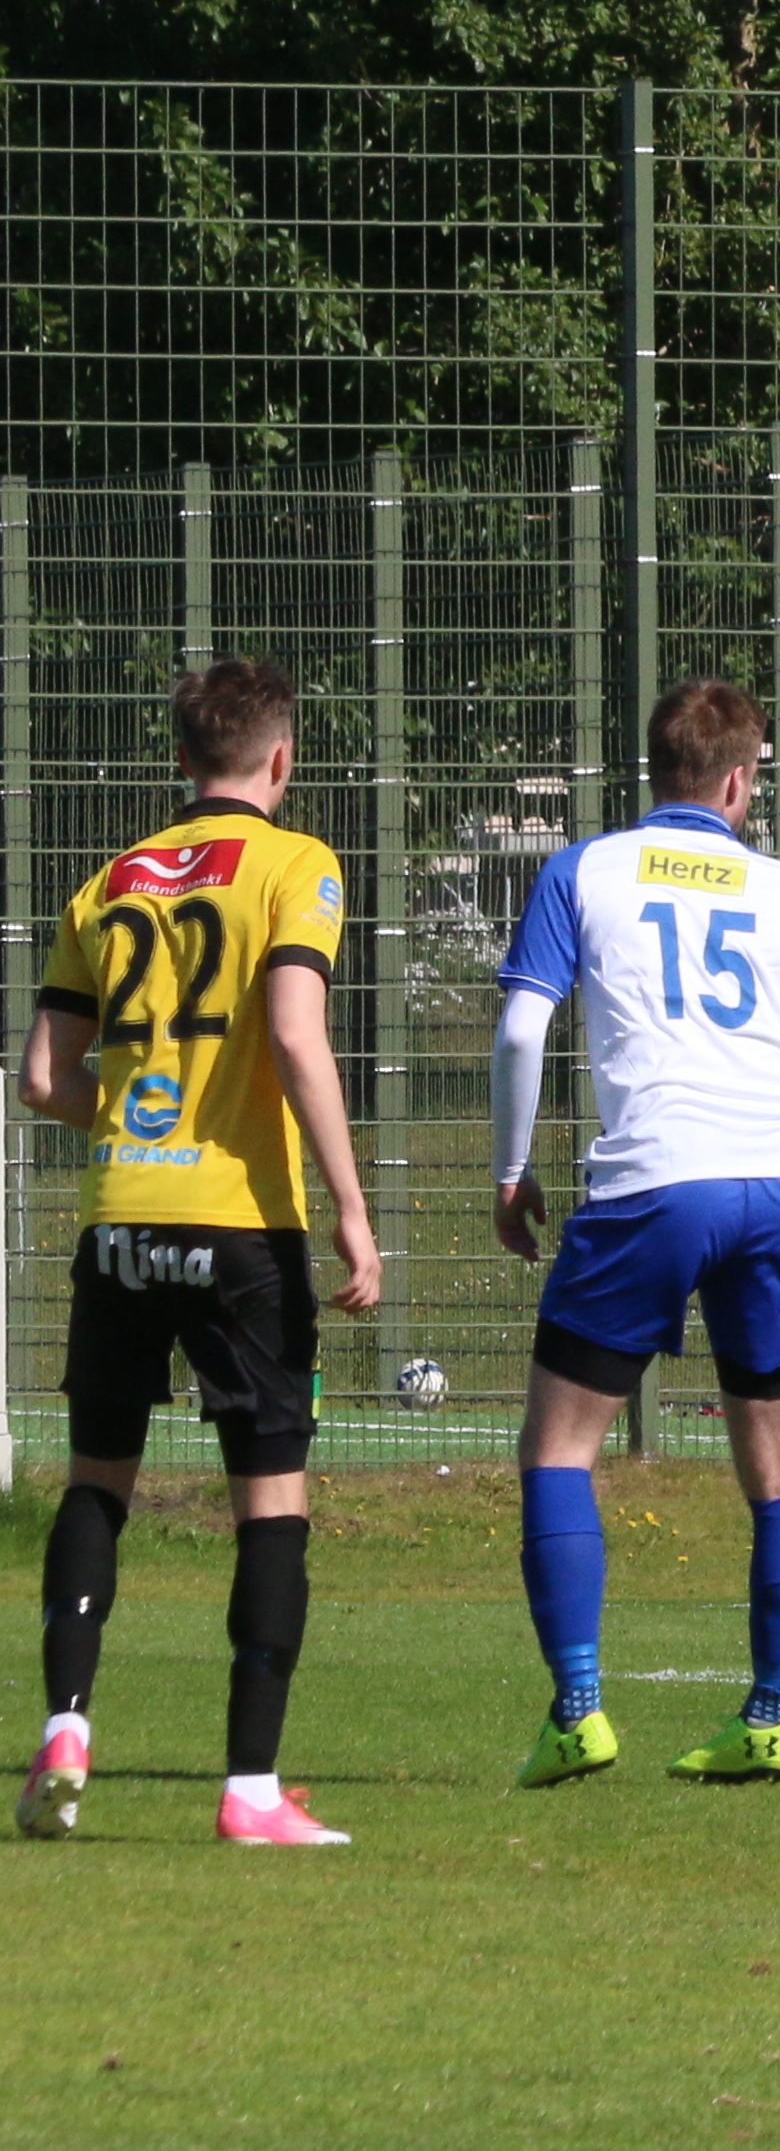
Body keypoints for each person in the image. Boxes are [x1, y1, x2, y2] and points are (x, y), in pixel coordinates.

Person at [14, 658, 383, 1846]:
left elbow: (41, 1080)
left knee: (97, 1481)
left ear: (181, 762)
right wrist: (352, 1204)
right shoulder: (296, 863)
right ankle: (250, 1791)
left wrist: (134, 1121)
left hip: (120, 1215)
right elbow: (294, 1034)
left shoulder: (108, 881)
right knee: (269, 1497)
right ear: (282, 758)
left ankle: (66, 1727)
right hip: (240, 1225)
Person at [490, 679, 780, 1787]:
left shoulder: (586, 870)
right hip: (774, 1188)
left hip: (653, 1183)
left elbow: (521, 1032)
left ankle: (578, 1711)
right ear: (742, 781)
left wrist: (511, 1172)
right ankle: (773, 1715)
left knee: (558, 1450)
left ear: (654, 769)